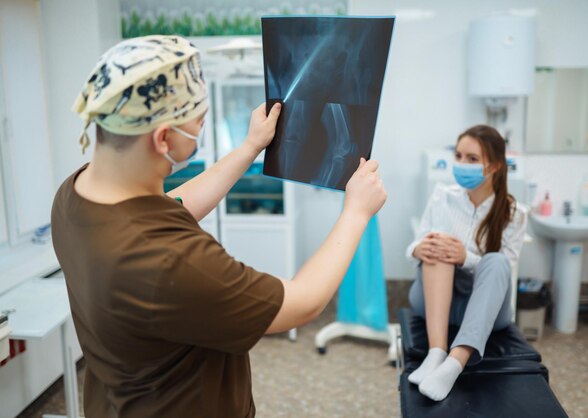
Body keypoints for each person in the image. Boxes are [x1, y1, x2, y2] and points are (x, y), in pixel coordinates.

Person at [51, 35, 386, 418]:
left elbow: (172, 207)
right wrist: (356, 212)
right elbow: (302, 302)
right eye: (199, 121)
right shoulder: (168, 261)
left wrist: (249, 147)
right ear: (163, 137)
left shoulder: (76, 196)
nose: (201, 129)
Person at [405, 125, 528, 401]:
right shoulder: (442, 197)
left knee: (495, 261)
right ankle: (436, 353)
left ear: (494, 165)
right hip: (437, 304)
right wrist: (420, 248)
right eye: (458, 156)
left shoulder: (514, 213)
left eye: (471, 159)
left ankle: (455, 362)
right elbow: (414, 244)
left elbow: (505, 270)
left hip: (484, 311)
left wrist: (466, 258)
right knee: (437, 245)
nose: (461, 164)